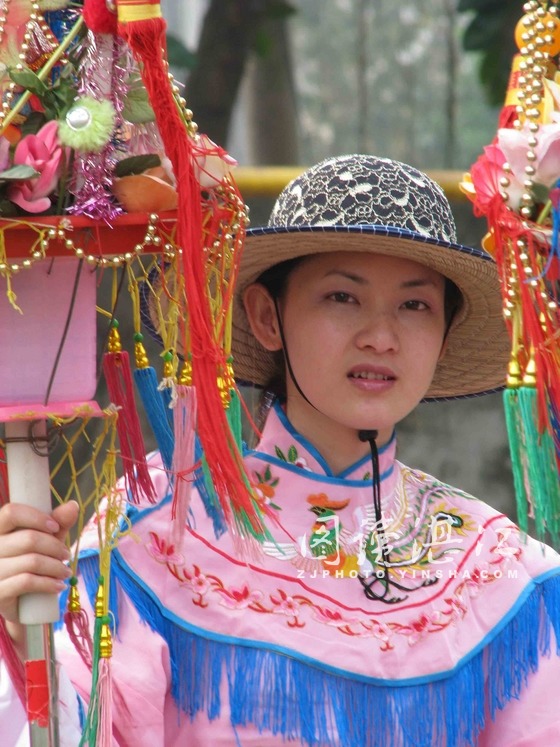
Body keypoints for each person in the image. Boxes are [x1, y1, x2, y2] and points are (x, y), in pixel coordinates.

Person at [1, 154, 559, 746]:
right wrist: (22, 637)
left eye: (415, 305)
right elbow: (80, 730)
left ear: (444, 335)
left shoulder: (497, 567)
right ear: (267, 317)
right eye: (342, 297)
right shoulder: (162, 527)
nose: (381, 337)